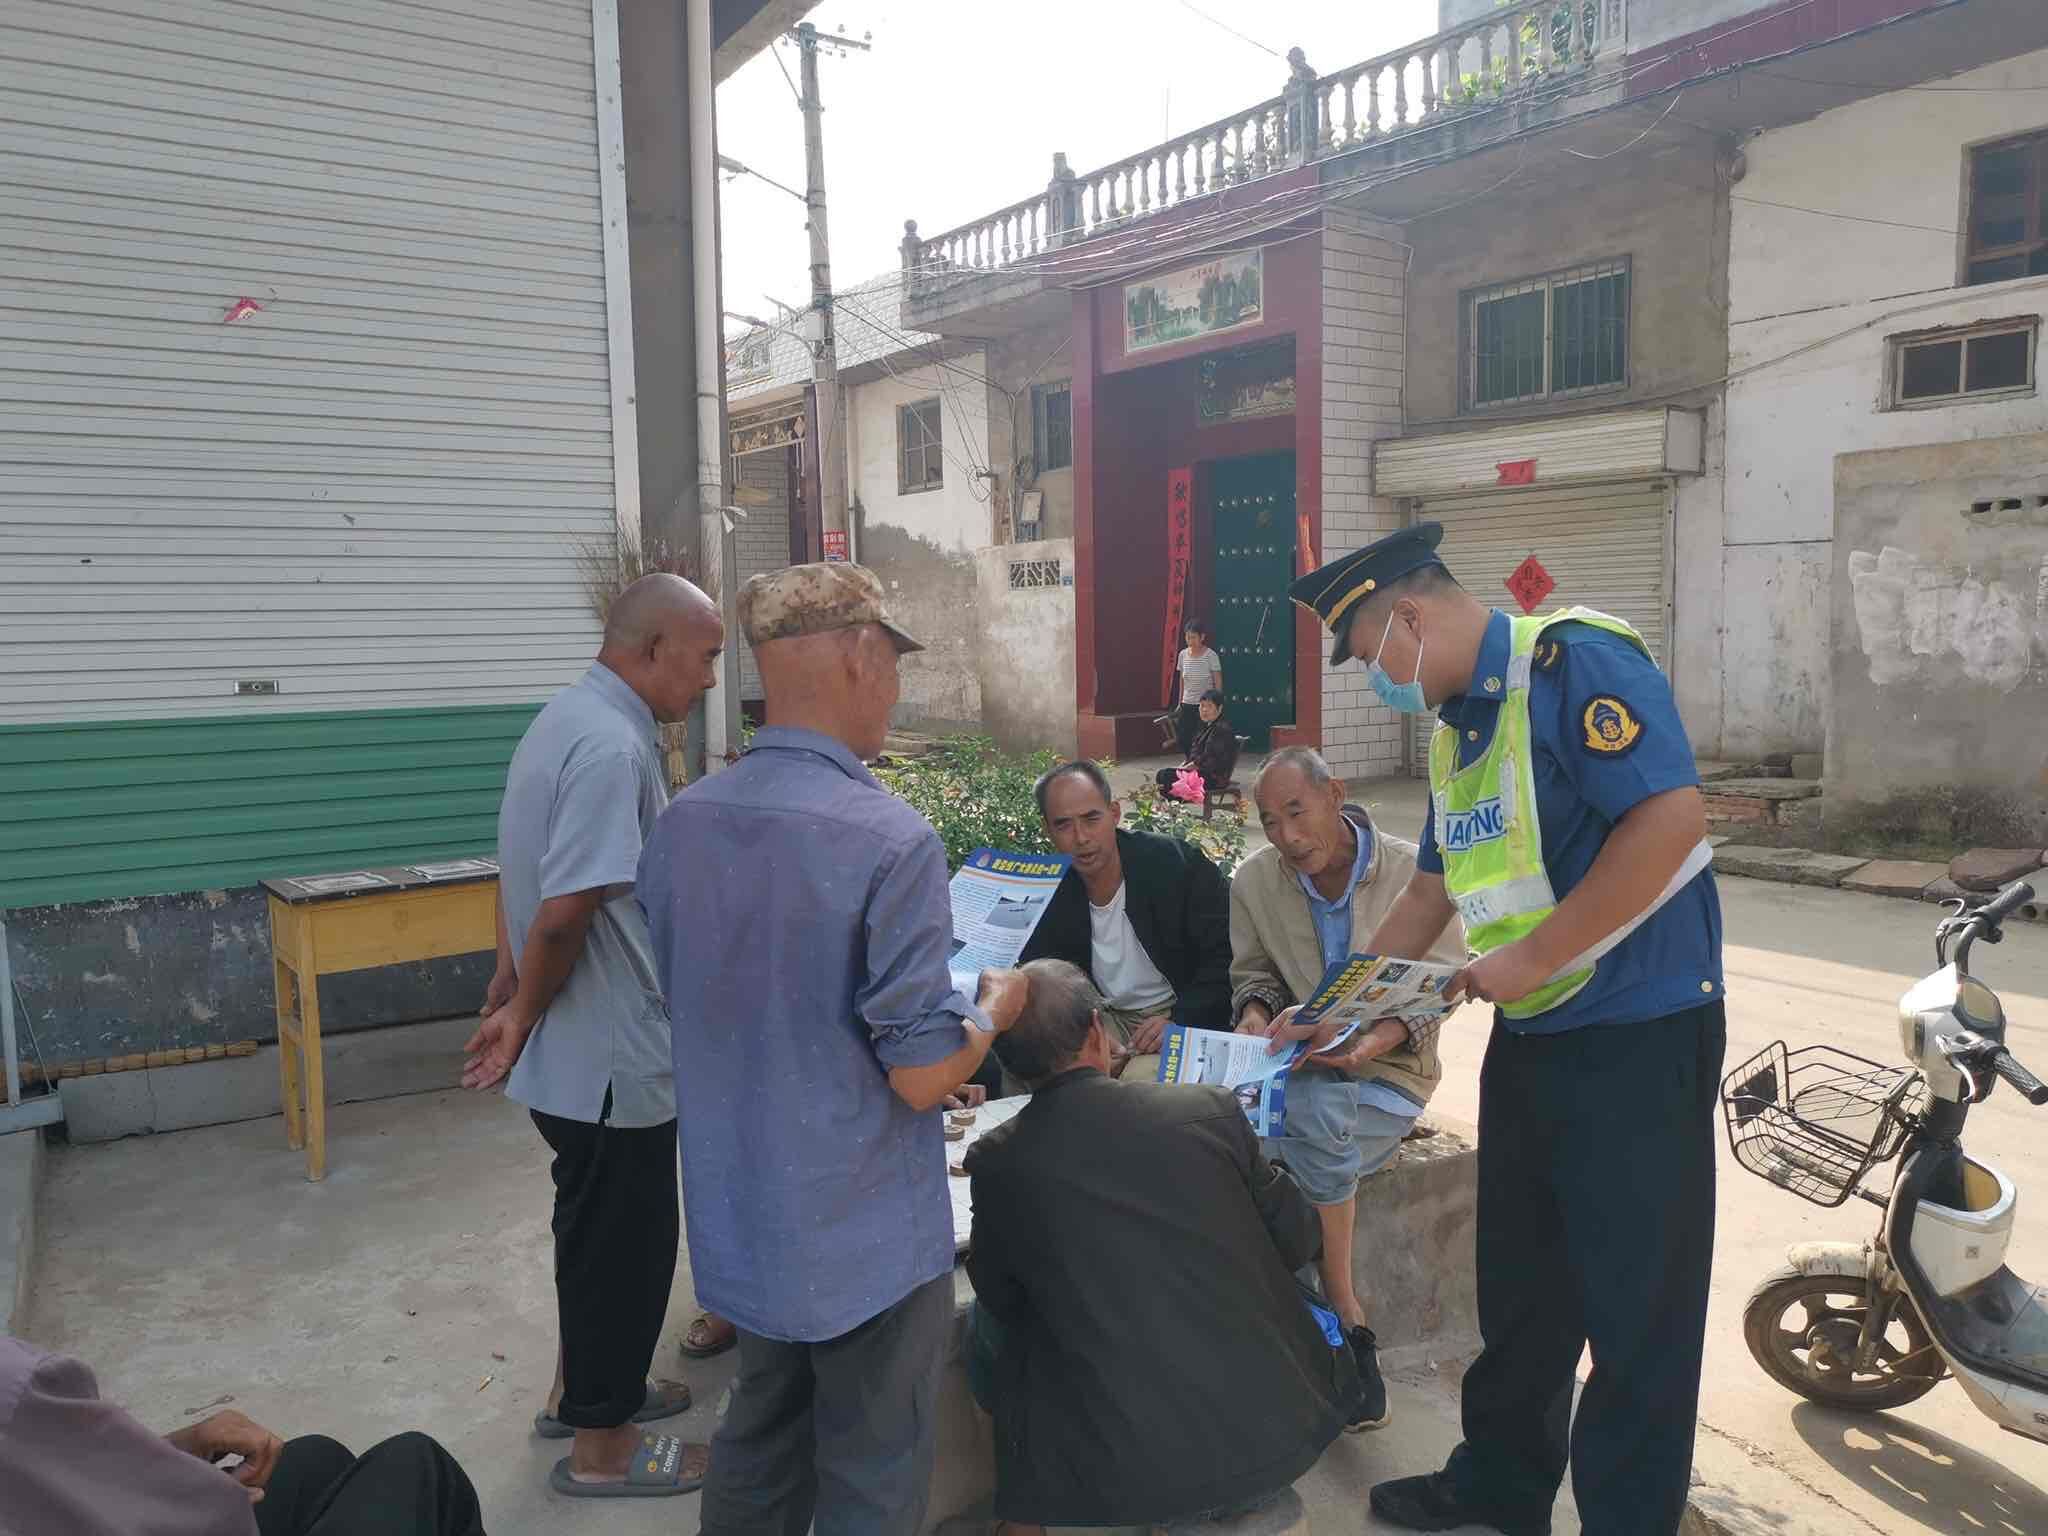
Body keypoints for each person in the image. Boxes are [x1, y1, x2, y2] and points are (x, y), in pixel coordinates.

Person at [1285, 524, 1725, 1536]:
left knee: (1637, 1315)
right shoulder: (1455, 732)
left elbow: (1669, 819)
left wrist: (1529, 958)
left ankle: (1626, 1520)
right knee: (1522, 1292)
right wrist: (1340, 1009)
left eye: (1370, 654)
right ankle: (1501, 1484)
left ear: (1407, 618)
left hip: (1639, 1035)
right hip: (1533, 1041)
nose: (1376, 683)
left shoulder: (1571, 665)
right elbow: (1428, 896)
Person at [639, 561, 1029, 1536]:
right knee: (872, 1468)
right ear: (860, 656)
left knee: (761, 1435)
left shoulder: (683, 824)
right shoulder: (888, 839)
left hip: (743, 1214)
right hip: (864, 1242)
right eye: (894, 663)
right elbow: (918, 1078)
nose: (894, 689)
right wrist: (991, 1015)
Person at [460, 572, 723, 1499]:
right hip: (609, 1058)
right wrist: (522, 1010)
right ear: (653, 649)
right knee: (625, 1248)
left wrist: (507, 976)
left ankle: (580, 1396)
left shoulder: (565, 719)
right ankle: (603, 1452)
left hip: (577, 1061)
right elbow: (567, 907)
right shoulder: (612, 745)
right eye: (705, 658)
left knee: (591, 1233)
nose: (710, 679)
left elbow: (520, 868)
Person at [963, 961, 1348, 1532]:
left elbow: (1000, 1293)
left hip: (1121, 1473)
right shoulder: (1208, 1110)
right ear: (1098, 1032)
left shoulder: (999, 1159)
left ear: (1007, 1061)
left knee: (989, 1326)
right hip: (1280, 1436)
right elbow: (1298, 1237)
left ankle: (1025, 1519)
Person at [1229, 745, 1464, 1431]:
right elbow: (1254, 973)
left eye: (1296, 812)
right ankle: (1334, 1342)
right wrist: (1254, 1013)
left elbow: (1446, 985)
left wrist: (1375, 1041)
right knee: (1304, 1110)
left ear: (1335, 793)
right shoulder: (1254, 881)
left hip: (1388, 1076)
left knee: (1288, 1145)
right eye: (1270, 822)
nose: (1286, 836)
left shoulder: (1412, 874)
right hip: (1298, 1068)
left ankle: (1338, 1312)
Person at [0, 1335, 483, 1535]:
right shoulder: (16, 1388)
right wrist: (195, 1485)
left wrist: (178, 1449)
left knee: (314, 1461)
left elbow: (63, 1492)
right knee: (416, 1464)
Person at [1020, 759, 1232, 1082]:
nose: (1081, 837)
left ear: (1114, 813)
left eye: (1092, 819)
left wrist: (1182, 1019)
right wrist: (1092, 1036)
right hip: (1102, 1018)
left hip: (1177, 1011)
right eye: (1063, 825)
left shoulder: (1174, 865)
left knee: (1136, 1086)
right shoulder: (1050, 891)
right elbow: (1043, 979)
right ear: (1047, 830)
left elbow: (1223, 955)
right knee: (1041, 1070)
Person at [1155, 688, 1240, 800]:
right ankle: (1176, 800)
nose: (1204, 710)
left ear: (1219, 708)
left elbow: (1208, 759)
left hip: (1212, 778)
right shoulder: (1207, 726)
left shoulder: (1221, 729)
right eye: (1202, 706)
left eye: (1209, 706)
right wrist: (1183, 768)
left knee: (1165, 775)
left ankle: (1180, 799)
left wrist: (1185, 769)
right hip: (1201, 773)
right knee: (1163, 776)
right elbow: (1194, 754)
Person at [1170, 619, 1224, 757]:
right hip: (1187, 702)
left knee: (1201, 737)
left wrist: (1217, 703)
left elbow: (1217, 680)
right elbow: (1182, 680)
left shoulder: (1211, 655)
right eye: (1188, 637)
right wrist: (1180, 702)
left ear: (1202, 637)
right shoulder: (1182, 655)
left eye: (1193, 637)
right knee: (1183, 737)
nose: (1190, 641)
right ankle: (1190, 760)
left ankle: (1199, 762)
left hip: (1205, 704)